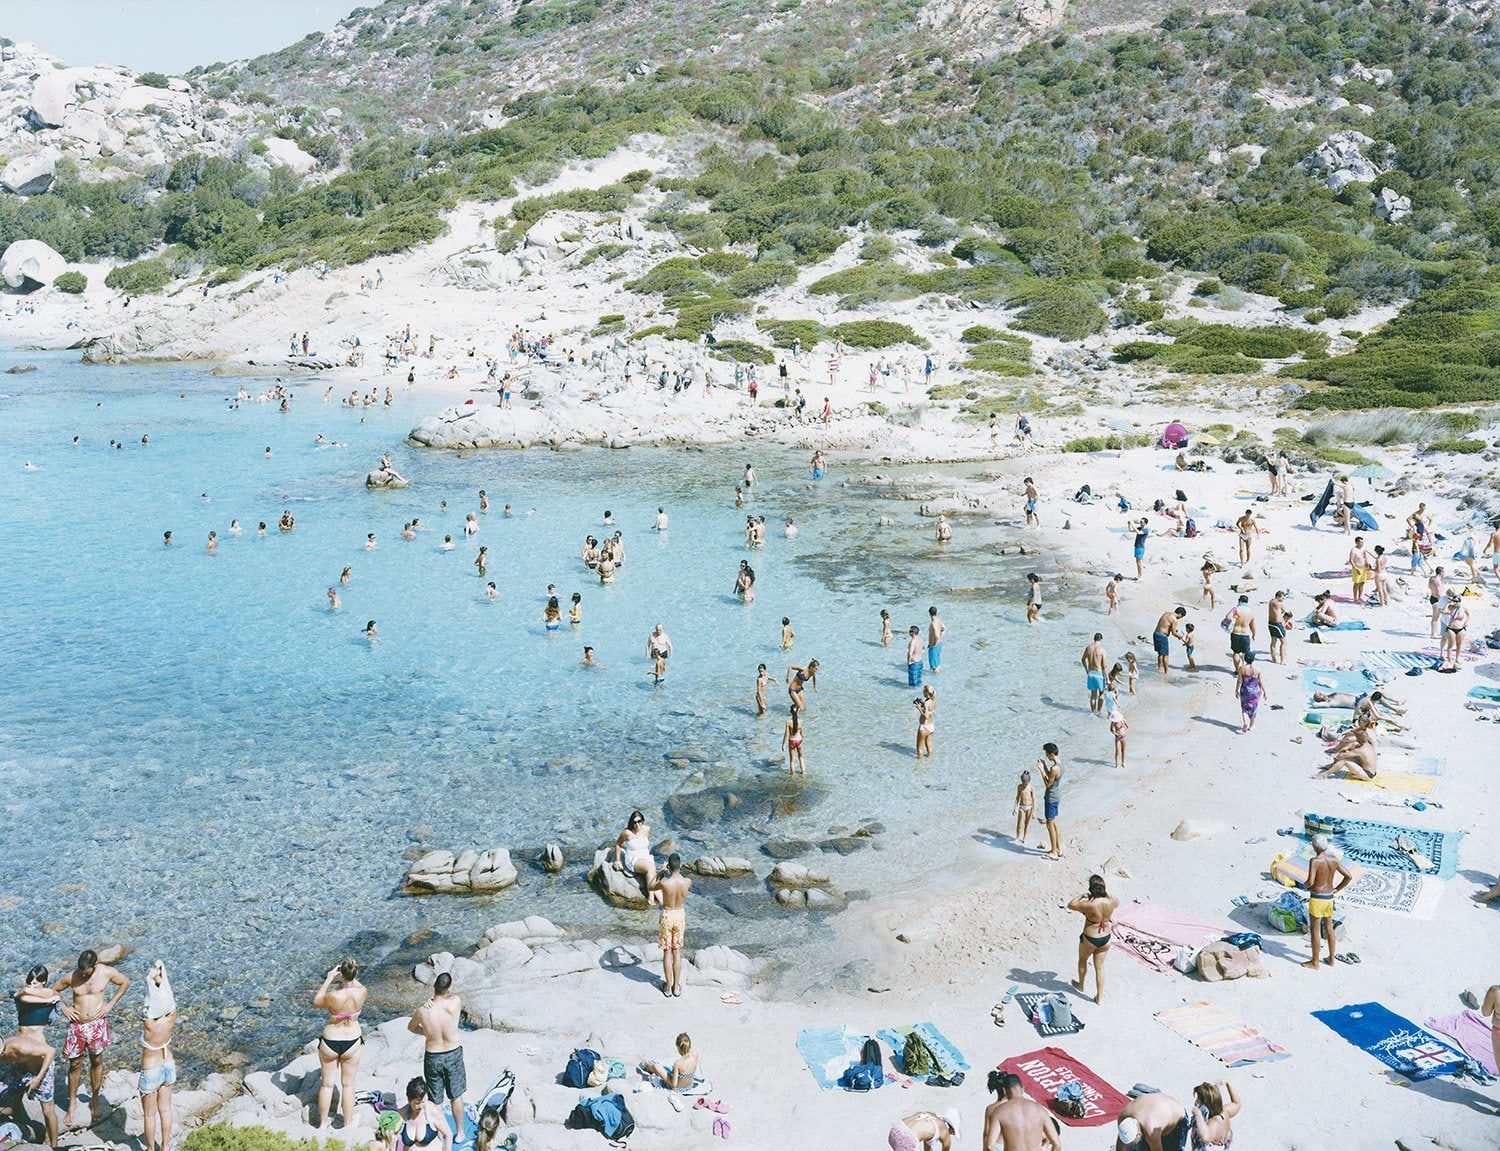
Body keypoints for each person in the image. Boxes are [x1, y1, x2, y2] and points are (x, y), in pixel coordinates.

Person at [52, 949, 130, 1127]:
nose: (83, 975)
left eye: (86, 972)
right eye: (81, 972)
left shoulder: (105, 972)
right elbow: (54, 990)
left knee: (97, 1060)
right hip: (77, 1026)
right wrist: (64, 1009)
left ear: (94, 967)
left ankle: (94, 1099)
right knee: (74, 1064)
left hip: (97, 1025)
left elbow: (125, 982)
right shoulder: (71, 976)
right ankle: (72, 1103)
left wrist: (110, 1004)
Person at [409, 973, 465, 1138]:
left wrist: (426, 1033)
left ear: (433, 986)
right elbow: (450, 996)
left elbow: (411, 1027)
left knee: (436, 1100)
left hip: (433, 1056)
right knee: (456, 1096)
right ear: (449, 988)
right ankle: (460, 1132)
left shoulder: (422, 1010)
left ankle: (440, 1136)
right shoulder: (455, 1002)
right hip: (453, 1053)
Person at [313, 959, 366, 1129]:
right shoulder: (362, 992)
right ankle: (348, 1123)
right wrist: (350, 975)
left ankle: (322, 1124)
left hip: (331, 1041)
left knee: (327, 1084)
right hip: (352, 1041)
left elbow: (317, 1001)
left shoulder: (333, 995)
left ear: (340, 974)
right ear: (355, 973)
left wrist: (329, 978)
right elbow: (355, 984)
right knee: (348, 1084)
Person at [1302, 834, 1354, 969]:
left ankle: (1315, 961)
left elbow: (1311, 882)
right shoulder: (1334, 860)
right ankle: (1331, 958)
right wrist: (1337, 889)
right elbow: (1348, 876)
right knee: (1329, 928)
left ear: (1314, 846)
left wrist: (1305, 885)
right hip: (1329, 898)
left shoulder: (1315, 861)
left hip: (1317, 897)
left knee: (1315, 929)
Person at [138, 962, 175, 1151]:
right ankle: (166, 1146)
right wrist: (160, 978)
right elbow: (167, 998)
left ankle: (151, 1149)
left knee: (150, 1115)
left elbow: (148, 1000)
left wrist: (149, 979)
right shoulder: (171, 1016)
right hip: (168, 1064)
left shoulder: (149, 1025)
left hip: (151, 1068)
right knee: (166, 1110)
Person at [1068, 874, 1120, 1003]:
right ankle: (1099, 998)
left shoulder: (1089, 905)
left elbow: (1071, 905)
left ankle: (1081, 984)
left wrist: (1082, 895)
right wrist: (1106, 894)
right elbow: (1115, 899)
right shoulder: (1111, 902)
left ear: (1091, 889)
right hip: (1106, 938)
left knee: (1083, 959)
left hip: (1091, 938)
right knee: (1100, 968)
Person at [0, 1030, 57, 1148]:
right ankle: (14, 1110)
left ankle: (55, 1145)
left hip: (41, 1069)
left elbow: (51, 1051)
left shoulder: (21, 1047)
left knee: (47, 1110)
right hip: (22, 1067)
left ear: (2, 1054)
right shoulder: (5, 1048)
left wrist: (37, 1079)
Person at [981, 1071, 1059, 1151]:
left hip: (1000, 1145)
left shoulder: (995, 1110)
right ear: (1022, 1087)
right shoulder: (1036, 1109)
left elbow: (988, 1139)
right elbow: (1056, 1144)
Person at [649, 855, 692, 997]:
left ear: (668, 866)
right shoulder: (687, 881)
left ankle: (667, 988)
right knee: (677, 951)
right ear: (680, 865)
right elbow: (685, 889)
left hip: (667, 915)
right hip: (680, 915)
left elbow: (650, 886)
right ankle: (676, 988)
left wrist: (660, 871)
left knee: (667, 952)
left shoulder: (665, 883)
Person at [383, 1077, 451, 1151]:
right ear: (409, 1100)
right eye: (417, 1103)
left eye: (423, 1101)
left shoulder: (433, 1111)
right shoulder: (402, 1114)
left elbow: (448, 1135)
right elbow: (392, 1139)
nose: (421, 1106)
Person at [1114, 1090, 1189, 1151]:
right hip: (1154, 1106)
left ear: (1139, 1134)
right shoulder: (1123, 1116)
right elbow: (1121, 1142)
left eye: (1132, 1142)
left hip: (1177, 1118)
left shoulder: (1151, 1131)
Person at [1189, 1081, 1240, 1149]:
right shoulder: (1225, 1111)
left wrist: (1198, 1114)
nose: (1196, 1103)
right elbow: (1236, 1103)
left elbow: (1206, 1138)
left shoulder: (1213, 1123)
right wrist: (1228, 1083)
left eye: (1198, 1101)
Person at [888, 1108, 960, 1151]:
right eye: (953, 1133)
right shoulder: (944, 1131)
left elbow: (927, 1148)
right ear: (952, 1129)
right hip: (908, 1139)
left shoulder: (931, 1116)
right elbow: (946, 1148)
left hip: (895, 1129)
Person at [1039, 743, 1063, 860]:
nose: (1047, 756)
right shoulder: (1060, 765)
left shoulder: (1054, 768)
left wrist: (1041, 770)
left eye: (1047, 754)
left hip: (1051, 797)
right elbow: (1052, 778)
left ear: (1051, 754)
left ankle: (1053, 852)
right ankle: (1058, 849)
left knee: (1049, 825)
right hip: (1056, 796)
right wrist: (1044, 766)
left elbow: (1048, 785)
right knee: (1054, 823)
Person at [1235, 653, 1266, 733]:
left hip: (1245, 691)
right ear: (1253, 659)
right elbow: (1261, 682)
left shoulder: (1242, 668)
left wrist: (1236, 690)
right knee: (1254, 708)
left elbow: (1239, 681)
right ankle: (1251, 726)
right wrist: (1265, 691)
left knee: (1244, 708)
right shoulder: (1257, 669)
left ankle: (1245, 722)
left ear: (1245, 659)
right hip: (1255, 692)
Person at [1153, 607, 1186, 674]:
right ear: (1180, 614)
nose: (1180, 618)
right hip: (1162, 636)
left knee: (1160, 654)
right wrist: (1180, 636)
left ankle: (1159, 668)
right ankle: (1166, 671)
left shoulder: (1166, 613)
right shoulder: (1174, 619)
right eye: (1181, 616)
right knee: (1165, 655)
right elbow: (1174, 633)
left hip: (1156, 633)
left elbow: (1166, 625)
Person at [1082, 633, 1109, 715]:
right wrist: (1108, 679)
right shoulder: (1102, 650)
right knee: (1102, 693)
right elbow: (1104, 666)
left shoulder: (1088, 648)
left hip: (1090, 673)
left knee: (1093, 695)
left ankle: (1093, 712)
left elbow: (1083, 660)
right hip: (1099, 674)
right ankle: (1099, 711)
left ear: (1094, 639)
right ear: (1101, 639)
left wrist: (1087, 670)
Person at [1227, 594, 1255, 664]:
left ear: (1239, 600)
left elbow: (1228, 617)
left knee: (1236, 653)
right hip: (1245, 634)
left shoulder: (1236, 609)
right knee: (1245, 653)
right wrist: (1254, 634)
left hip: (1236, 633)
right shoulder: (1250, 611)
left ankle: (1237, 670)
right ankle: (1243, 668)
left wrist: (1235, 617)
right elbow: (1252, 625)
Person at [782, 705, 806, 775]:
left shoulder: (788, 722)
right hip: (799, 740)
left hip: (792, 741)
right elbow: (801, 732)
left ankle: (793, 775)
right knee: (801, 758)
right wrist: (802, 739)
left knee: (792, 760)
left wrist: (783, 744)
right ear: (798, 711)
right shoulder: (800, 721)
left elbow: (786, 734)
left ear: (790, 712)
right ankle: (803, 773)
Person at [1013, 771, 1035, 845]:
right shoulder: (1019, 787)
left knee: (1026, 823)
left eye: (1026, 783)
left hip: (1029, 807)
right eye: (1023, 782)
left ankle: (1024, 838)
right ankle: (1017, 837)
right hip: (1021, 807)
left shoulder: (1031, 787)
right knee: (1019, 824)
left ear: (1028, 781)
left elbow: (1034, 800)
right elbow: (1017, 798)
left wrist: (1034, 812)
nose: (1024, 784)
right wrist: (1015, 808)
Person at [914, 685, 936, 760]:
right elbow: (930, 711)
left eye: (924, 691)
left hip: (924, 727)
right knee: (929, 745)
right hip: (931, 726)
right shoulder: (933, 701)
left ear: (927, 692)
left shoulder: (926, 703)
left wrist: (919, 709)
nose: (922, 692)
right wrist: (923, 705)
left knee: (919, 748)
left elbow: (926, 716)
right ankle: (929, 761)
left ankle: (919, 765)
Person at [1349, 536, 1371, 605]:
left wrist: (1368, 563)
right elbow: (1351, 560)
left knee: (1362, 582)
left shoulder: (1363, 548)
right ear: (1356, 542)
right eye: (1360, 542)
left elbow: (1365, 557)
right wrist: (1356, 568)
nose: (1362, 543)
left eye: (1362, 542)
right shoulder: (1353, 550)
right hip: (1357, 568)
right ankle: (1355, 598)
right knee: (1356, 583)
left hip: (1363, 568)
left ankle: (1360, 596)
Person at [926, 606, 945, 673]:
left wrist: (932, 644)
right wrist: (940, 637)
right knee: (937, 664)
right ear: (936, 612)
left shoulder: (933, 623)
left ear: (929, 613)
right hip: (939, 644)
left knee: (934, 667)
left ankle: (935, 681)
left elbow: (936, 635)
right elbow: (944, 629)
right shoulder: (939, 620)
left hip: (934, 645)